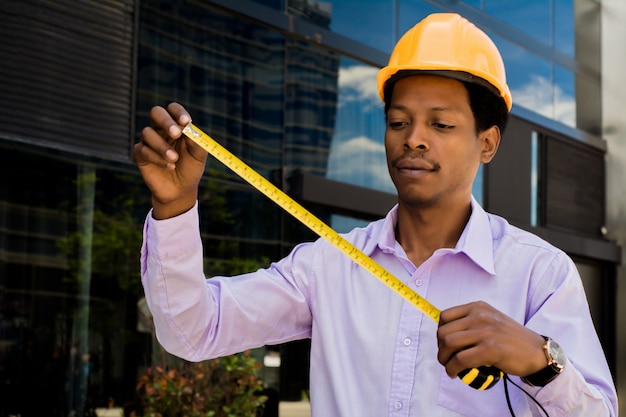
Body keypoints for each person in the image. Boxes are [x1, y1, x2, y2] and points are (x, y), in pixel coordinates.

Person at [133, 13, 617, 417]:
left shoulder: (540, 274)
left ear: (487, 143)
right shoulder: (326, 266)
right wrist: (174, 207)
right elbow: (192, 330)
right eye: (398, 122)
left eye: (441, 123)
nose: (413, 139)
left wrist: (540, 359)